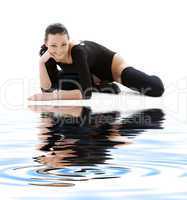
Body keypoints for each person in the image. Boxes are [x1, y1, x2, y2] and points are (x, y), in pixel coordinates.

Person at [28, 23, 165, 101]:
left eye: (64, 44)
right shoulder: (46, 55)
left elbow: (86, 94)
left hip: (112, 69)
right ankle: (100, 85)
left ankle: (106, 83)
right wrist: (41, 63)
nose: (59, 50)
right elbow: (47, 88)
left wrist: (51, 97)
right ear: (46, 44)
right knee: (63, 84)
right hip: (87, 73)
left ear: (69, 41)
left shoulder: (78, 52)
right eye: (53, 46)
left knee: (155, 89)